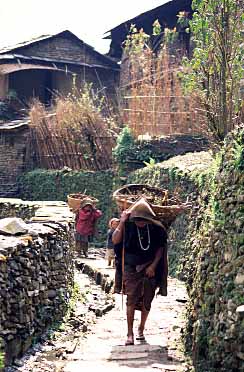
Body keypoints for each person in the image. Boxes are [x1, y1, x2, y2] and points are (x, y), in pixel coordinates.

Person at [112, 197, 168, 346]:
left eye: (144, 220)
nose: (140, 222)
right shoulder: (128, 226)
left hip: (150, 268)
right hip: (131, 268)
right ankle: (129, 333)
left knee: (147, 300)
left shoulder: (156, 229)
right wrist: (122, 221)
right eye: (137, 219)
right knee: (131, 299)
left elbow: (160, 249)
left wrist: (153, 266)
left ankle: (141, 329)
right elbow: (115, 240)